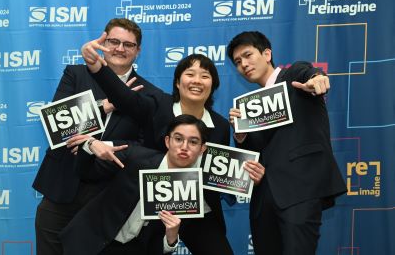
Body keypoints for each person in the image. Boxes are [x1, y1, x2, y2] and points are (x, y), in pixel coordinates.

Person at [81, 36, 265, 254]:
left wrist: (246, 176)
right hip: (153, 208)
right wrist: (96, 67)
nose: (197, 81)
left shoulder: (221, 126)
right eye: (189, 74)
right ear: (178, 82)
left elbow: (219, 174)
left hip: (198, 209)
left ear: (212, 86)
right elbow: (124, 98)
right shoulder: (158, 105)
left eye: (205, 76)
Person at [32, 18, 162, 255]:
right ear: (103, 42)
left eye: (128, 44)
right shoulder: (76, 74)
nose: (120, 49)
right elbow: (58, 123)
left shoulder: (150, 94)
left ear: (138, 51)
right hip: (62, 187)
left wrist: (101, 144)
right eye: (113, 41)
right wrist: (104, 107)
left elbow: (143, 149)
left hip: (105, 198)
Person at [227, 31, 347, 255]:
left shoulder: (294, 75)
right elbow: (256, 154)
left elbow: (311, 74)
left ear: (267, 53)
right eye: (237, 61)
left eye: (247, 55)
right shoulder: (251, 107)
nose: (243, 64)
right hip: (264, 201)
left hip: (300, 190)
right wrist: (241, 136)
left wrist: (317, 79)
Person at [60, 115, 210, 254]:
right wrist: (90, 144)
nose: (184, 147)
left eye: (193, 142)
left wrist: (171, 238)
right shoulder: (135, 157)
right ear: (167, 141)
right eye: (178, 139)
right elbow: (86, 173)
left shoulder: (191, 191)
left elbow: (154, 245)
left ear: (202, 149)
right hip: (89, 241)